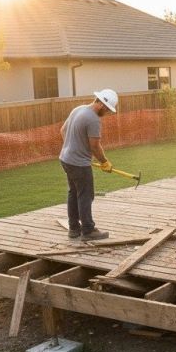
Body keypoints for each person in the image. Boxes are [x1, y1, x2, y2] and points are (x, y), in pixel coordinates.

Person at [58, 88, 118, 241]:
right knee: (85, 195)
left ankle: (73, 229)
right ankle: (88, 230)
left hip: (65, 159)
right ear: (102, 105)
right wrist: (105, 162)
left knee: (73, 193)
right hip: (78, 164)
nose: (107, 113)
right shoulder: (93, 119)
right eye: (107, 110)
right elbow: (95, 146)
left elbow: (63, 130)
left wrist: (72, 147)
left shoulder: (78, 109)